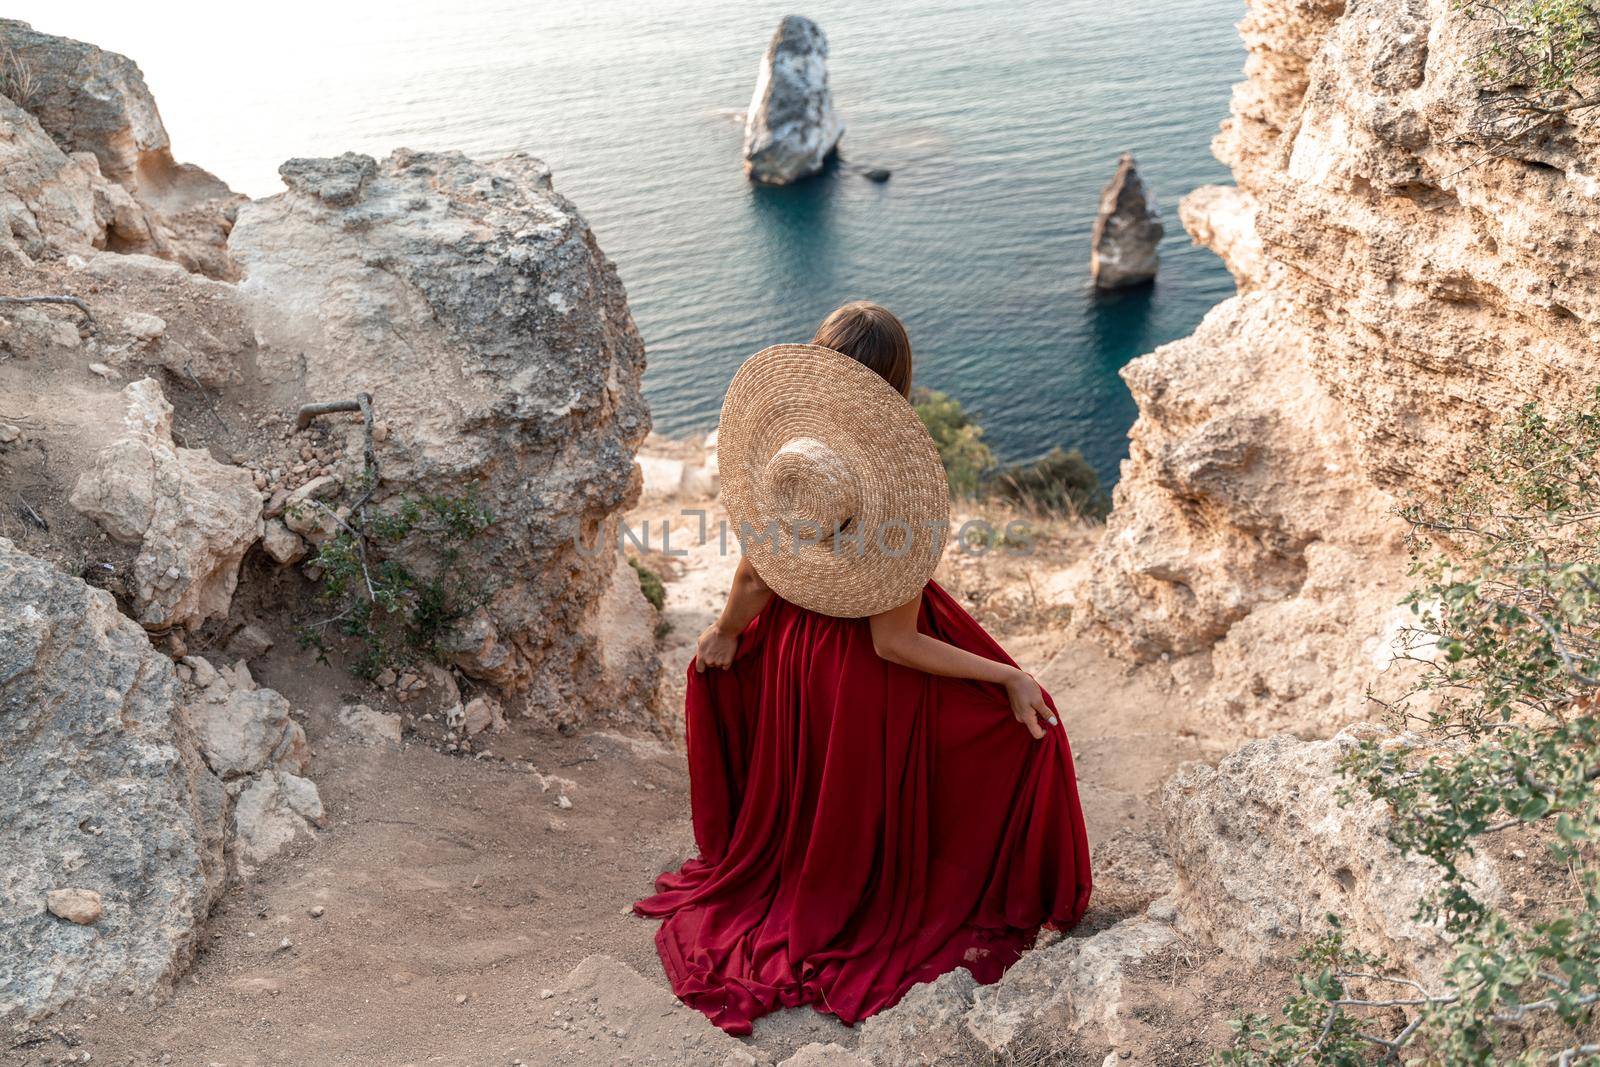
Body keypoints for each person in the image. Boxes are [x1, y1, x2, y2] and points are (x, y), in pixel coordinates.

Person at [634, 301, 1091, 1036]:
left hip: (790, 651)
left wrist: (724, 634)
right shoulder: (885, 487)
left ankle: (806, 866)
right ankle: (881, 881)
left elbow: (754, 574)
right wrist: (1007, 676)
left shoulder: (791, 451)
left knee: (812, 782)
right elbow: (892, 643)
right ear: (896, 386)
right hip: (853, 671)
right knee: (1029, 730)